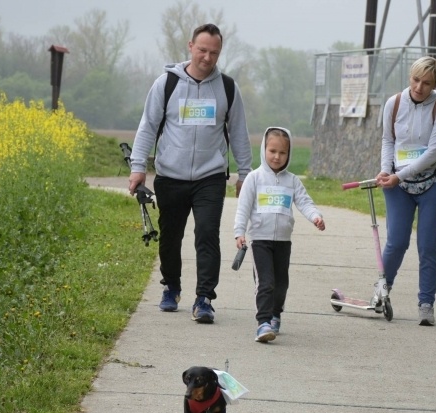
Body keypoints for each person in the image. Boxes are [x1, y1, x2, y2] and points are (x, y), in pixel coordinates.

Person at [128, 23, 252, 324]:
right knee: (170, 237)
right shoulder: (166, 84)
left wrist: (244, 174)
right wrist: (138, 167)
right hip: (171, 175)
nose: (207, 58)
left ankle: (204, 298)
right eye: (202, 50)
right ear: (190, 47)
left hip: (210, 177)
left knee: (207, 234)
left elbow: (238, 134)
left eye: (214, 52)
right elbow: (147, 126)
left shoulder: (227, 88)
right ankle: (171, 287)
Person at [375, 56, 436, 326]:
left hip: (433, 183)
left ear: (435, 84)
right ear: (410, 77)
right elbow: (388, 140)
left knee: (428, 246)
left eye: (427, 83)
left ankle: (426, 304)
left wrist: (398, 175)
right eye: (415, 80)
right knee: (397, 241)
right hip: (397, 184)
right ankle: (382, 291)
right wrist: (387, 171)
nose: (419, 87)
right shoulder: (394, 104)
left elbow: (433, 153)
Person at [234, 127, 325, 342]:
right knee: (265, 283)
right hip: (260, 242)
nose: (277, 157)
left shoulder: (292, 181)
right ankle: (263, 322)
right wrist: (239, 232)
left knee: (281, 283)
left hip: (283, 242)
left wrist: (315, 217)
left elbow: (304, 202)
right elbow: (243, 208)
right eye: (272, 151)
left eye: (282, 153)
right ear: (264, 150)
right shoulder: (254, 179)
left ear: (289, 154)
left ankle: (275, 314)